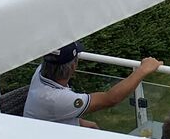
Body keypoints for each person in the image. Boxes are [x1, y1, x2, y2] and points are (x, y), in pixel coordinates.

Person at [24, 44, 161, 127]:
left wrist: (79, 122)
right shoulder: (55, 99)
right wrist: (143, 70)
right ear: (73, 66)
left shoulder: (40, 74)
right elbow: (110, 99)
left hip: (46, 134)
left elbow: (53, 114)